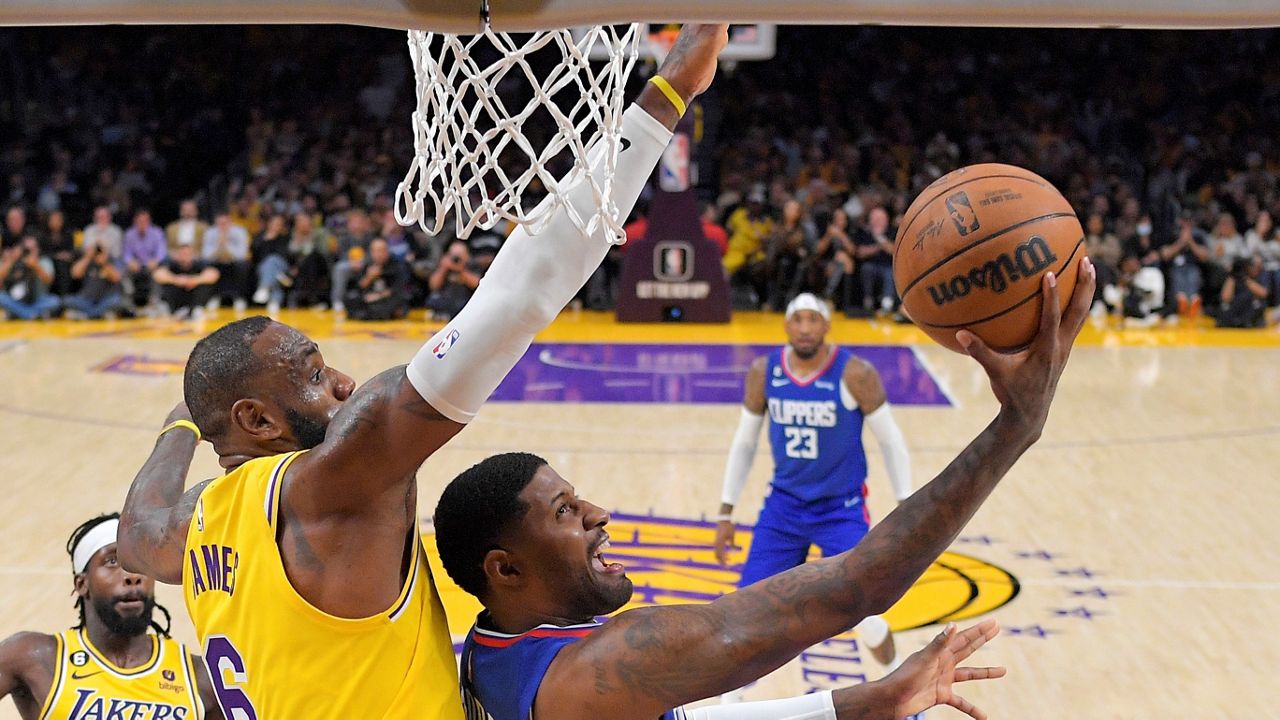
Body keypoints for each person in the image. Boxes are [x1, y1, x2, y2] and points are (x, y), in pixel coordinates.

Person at [116, 24, 729, 720]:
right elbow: (519, 298)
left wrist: (181, 427)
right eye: (315, 374)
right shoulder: (338, 483)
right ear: (256, 419)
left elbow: (137, 526)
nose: (344, 384)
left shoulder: (194, 528)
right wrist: (669, 91)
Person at [432, 256, 1095, 720]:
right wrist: (1017, 425)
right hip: (790, 506)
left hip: (832, 502)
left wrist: (872, 702)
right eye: (566, 512)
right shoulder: (589, 676)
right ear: (505, 567)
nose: (600, 514)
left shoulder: (492, 652)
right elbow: (857, 584)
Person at [711, 292, 915, 694]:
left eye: (812, 320)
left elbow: (891, 441)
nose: (805, 328)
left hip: (841, 511)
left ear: (826, 325)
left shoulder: (855, 373)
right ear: (787, 326)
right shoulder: (763, 372)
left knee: (867, 614)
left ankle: (902, 688)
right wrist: (725, 512)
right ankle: (728, 707)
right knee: (744, 615)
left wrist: (907, 505)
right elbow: (744, 443)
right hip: (783, 509)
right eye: (797, 320)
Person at [0, 513, 221, 720]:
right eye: (112, 562)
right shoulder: (35, 657)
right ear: (82, 583)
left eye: (139, 564)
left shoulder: (198, 676)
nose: (132, 576)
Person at [346, 237, 410, 320]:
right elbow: (356, 288)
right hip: (368, 299)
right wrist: (369, 278)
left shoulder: (397, 266)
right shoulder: (366, 266)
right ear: (371, 252)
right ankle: (372, 314)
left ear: (387, 251)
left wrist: (379, 296)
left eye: (382, 250)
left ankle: (371, 314)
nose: (379, 254)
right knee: (351, 297)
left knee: (399, 300)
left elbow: (399, 288)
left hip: (385, 299)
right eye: (376, 251)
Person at [200, 213, 252, 312]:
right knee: (206, 265)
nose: (222, 226)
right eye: (219, 223)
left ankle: (239, 297)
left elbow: (242, 254)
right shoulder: (210, 232)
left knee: (242, 265)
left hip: (234, 261)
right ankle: (214, 297)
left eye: (225, 223)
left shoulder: (240, 231)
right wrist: (219, 247)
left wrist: (226, 247)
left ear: (230, 222)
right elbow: (205, 255)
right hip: (216, 260)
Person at [0, 236, 61, 320]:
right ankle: (30, 314)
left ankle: (19, 313)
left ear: (38, 249)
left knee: (55, 301)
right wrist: (12, 260)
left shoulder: (44, 261)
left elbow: (49, 280)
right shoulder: (13, 262)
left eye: (33, 248)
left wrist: (36, 266)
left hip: (37, 300)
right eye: (27, 249)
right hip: (15, 300)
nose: (30, 252)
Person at [153, 244, 220, 320]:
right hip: (178, 298)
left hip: (193, 296)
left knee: (205, 286)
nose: (185, 256)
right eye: (182, 254)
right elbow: (158, 274)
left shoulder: (199, 264)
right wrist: (177, 280)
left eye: (187, 254)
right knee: (168, 285)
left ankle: (197, 309)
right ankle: (176, 311)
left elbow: (214, 274)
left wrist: (194, 280)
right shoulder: (171, 264)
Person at [64, 241, 125, 319]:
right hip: (86, 299)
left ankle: (86, 314)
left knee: (116, 300)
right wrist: (88, 257)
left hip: (104, 300)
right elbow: (75, 274)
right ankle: (99, 314)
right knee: (67, 300)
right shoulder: (88, 262)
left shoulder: (110, 261)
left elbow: (117, 278)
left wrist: (104, 263)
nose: (98, 253)